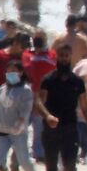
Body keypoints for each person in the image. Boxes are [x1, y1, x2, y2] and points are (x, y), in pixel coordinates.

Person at [38, 44, 87, 171]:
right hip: (51, 129)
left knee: (70, 165)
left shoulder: (77, 82)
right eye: (61, 55)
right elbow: (39, 101)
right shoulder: (48, 80)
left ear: (70, 58)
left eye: (66, 56)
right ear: (57, 57)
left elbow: (84, 106)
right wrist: (47, 116)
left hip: (70, 128)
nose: (64, 58)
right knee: (51, 166)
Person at [0, 59, 45, 171]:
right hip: (2, 131)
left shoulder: (26, 90)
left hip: (18, 132)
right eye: (8, 71)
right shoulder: (3, 88)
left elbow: (26, 110)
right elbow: (0, 108)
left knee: (25, 162)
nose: (11, 74)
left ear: (21, 73)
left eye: (14, 71)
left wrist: (20, 123)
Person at [23, 33, 56, 163]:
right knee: (23, 124)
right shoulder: (27, 54)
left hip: (44, 93)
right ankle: (21, 153)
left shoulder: (52, 55)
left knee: (39, 124)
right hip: (28, 93)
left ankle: (39, 152)